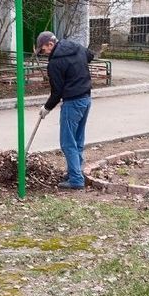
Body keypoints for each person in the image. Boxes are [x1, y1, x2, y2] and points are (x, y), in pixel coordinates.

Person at [36, 31, 93, 189]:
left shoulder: (55, 63)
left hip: (72, 102)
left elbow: (57, 92)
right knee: (78, 139)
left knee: (68, 143)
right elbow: (90, 55)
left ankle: (75, 179)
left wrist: (47, 108)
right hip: (86, 99)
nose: (43, 53)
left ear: (51, 44)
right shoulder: (76, 47)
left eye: (43, 49)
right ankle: (75, 171)